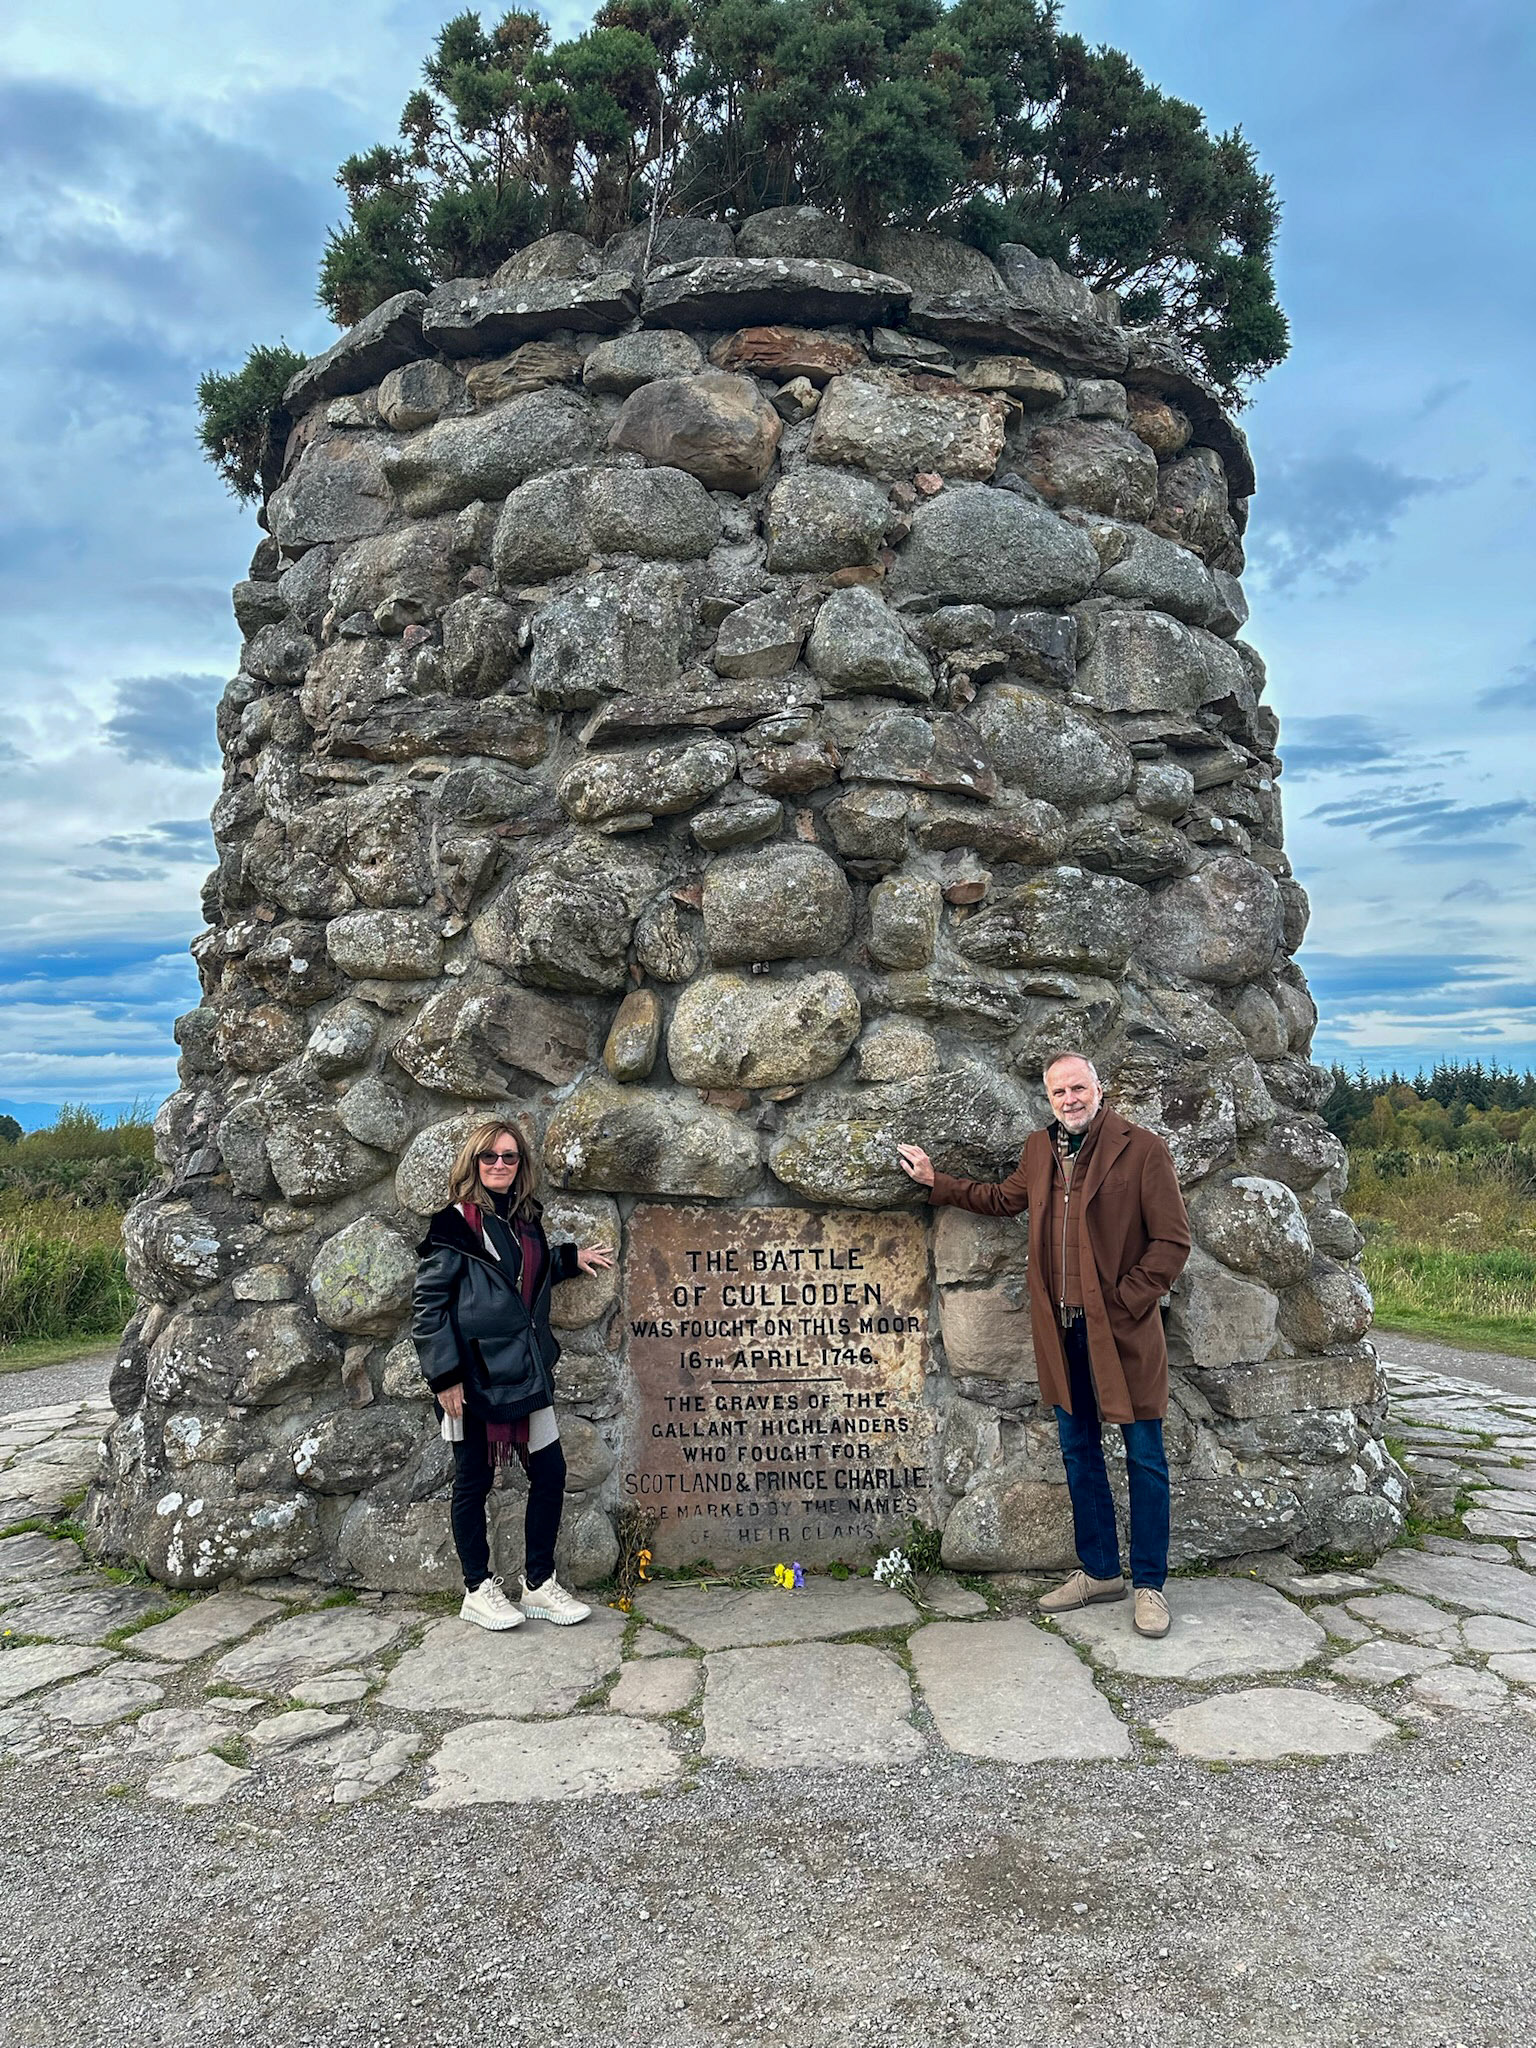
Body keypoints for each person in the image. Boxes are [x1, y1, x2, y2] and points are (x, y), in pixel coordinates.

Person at [898, 1054, 1191, 1638]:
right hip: (1062, 1334)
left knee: (1145, 1457)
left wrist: (1125, 1302)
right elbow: (1002, 1200)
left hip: (1126, 1335)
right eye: (1059, 1091)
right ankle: (1102, 1571)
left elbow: (1172, 1242)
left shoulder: (1143, 1149)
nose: (1070, 1098)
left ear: (1098, 1090)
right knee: (1079, 1451)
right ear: (1049, 1098)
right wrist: (938, 1183)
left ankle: (1150, 1584)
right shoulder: (1039, 1151)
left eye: (1078, 1087)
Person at [413, 1116, 615, 1632]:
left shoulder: (525, 1221)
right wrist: (445, 1378)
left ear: (519, 1165)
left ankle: (538, 1584)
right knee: (474, 1481)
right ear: (473, 1163)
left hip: (527, 1370)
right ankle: (478, 1589)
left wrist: (570, 1258)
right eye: (489, 1157)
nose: (500, 1164)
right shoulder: (454, 1225)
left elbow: (526, 1268)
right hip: (475, 1377)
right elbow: (429, 1307)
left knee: (549, 1475)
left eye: (509, 1157)